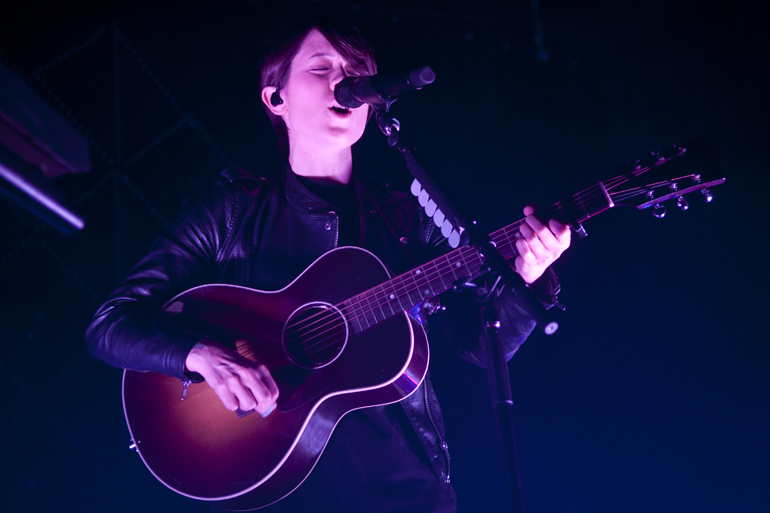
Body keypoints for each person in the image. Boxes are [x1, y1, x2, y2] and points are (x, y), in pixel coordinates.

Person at [86, 17, 570, 513]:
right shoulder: (232, 210)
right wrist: (201, 355)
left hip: (404, 493)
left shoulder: (405, 216)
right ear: (277, 100)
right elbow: (110, 326)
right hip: (274, 489)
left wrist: (525, 279)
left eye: (356, 70)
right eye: (321, 68)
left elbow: (477, 345)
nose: (344, 81)